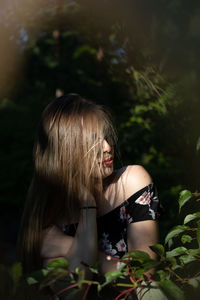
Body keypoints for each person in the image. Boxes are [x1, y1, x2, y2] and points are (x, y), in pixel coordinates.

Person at [18, 93, 160, 296]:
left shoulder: (132, 182)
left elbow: (145, 280)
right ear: (66, 150)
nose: (107, 147)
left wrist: (73, 247)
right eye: (93, 141)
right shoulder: (48, 222)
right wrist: (88, 206)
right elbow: (76, 290)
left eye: (104, 137)